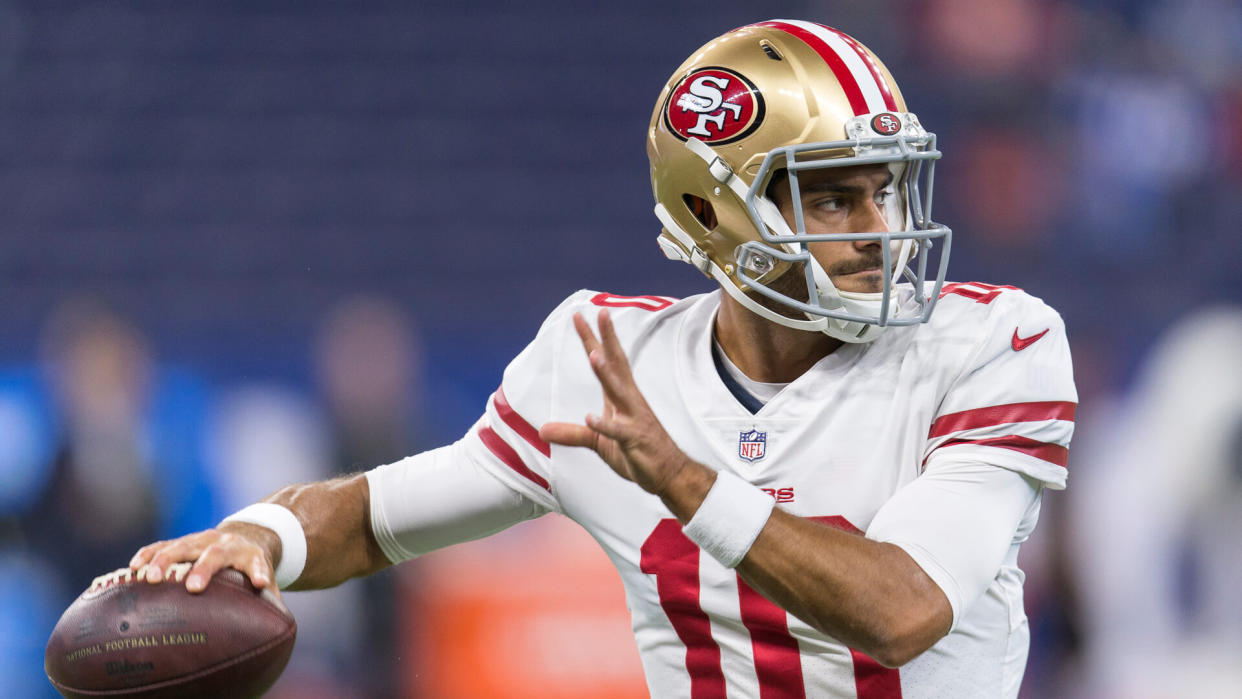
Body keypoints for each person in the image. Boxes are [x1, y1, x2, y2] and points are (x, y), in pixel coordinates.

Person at [130, 20, 1076, 697]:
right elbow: (384, 515)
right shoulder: (608, 359)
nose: (882, 232)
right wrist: (262, 537)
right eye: (834, 200)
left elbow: (906, 607)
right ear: (713, 215)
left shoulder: (993, 345)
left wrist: (692, 484)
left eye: (890, 189)